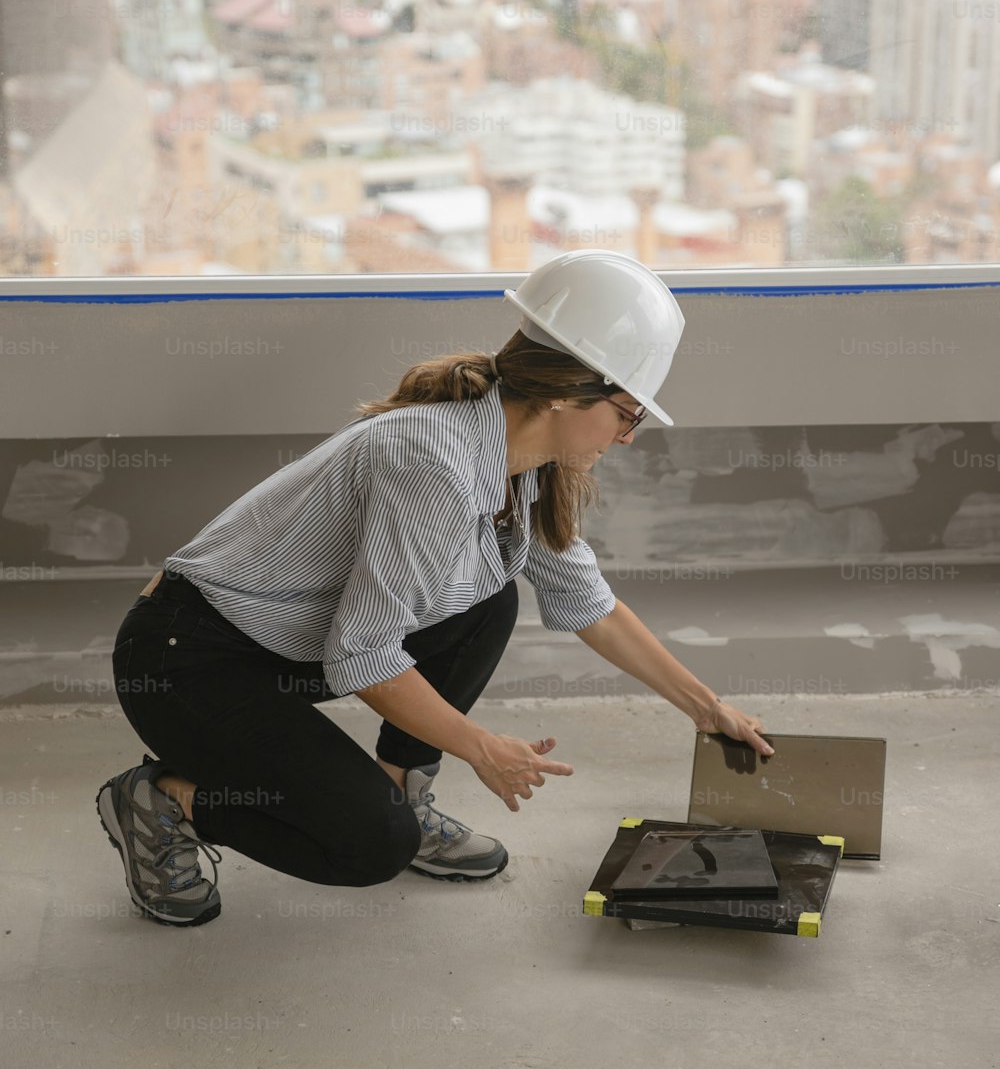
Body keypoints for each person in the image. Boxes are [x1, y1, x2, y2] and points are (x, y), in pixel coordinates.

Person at [96, 250, 772, 929]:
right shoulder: (429, 461)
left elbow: (591, 605)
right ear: (570, 393)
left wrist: (707, 709)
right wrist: (480, 744)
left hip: (284, 649)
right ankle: (162, 801)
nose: (627, 438)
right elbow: (362, 655)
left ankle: (400, 792)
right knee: (367, 846)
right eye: (629, 414)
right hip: (189, 660)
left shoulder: (520, 467)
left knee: (490, 598)